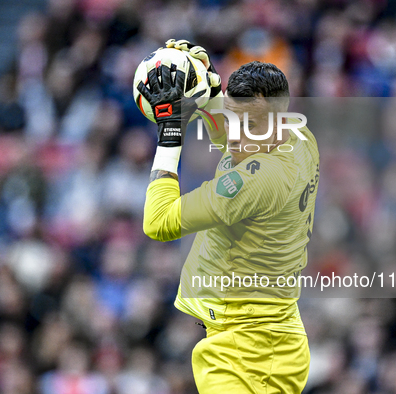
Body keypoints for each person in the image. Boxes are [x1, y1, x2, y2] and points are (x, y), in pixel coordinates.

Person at [137, 39, 319, 393]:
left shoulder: (256, 181)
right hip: (270, 336)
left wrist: (170, 132)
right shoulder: (299, 136)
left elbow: (158, 221)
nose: (232, 136)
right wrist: (207, 85)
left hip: (247, 352)